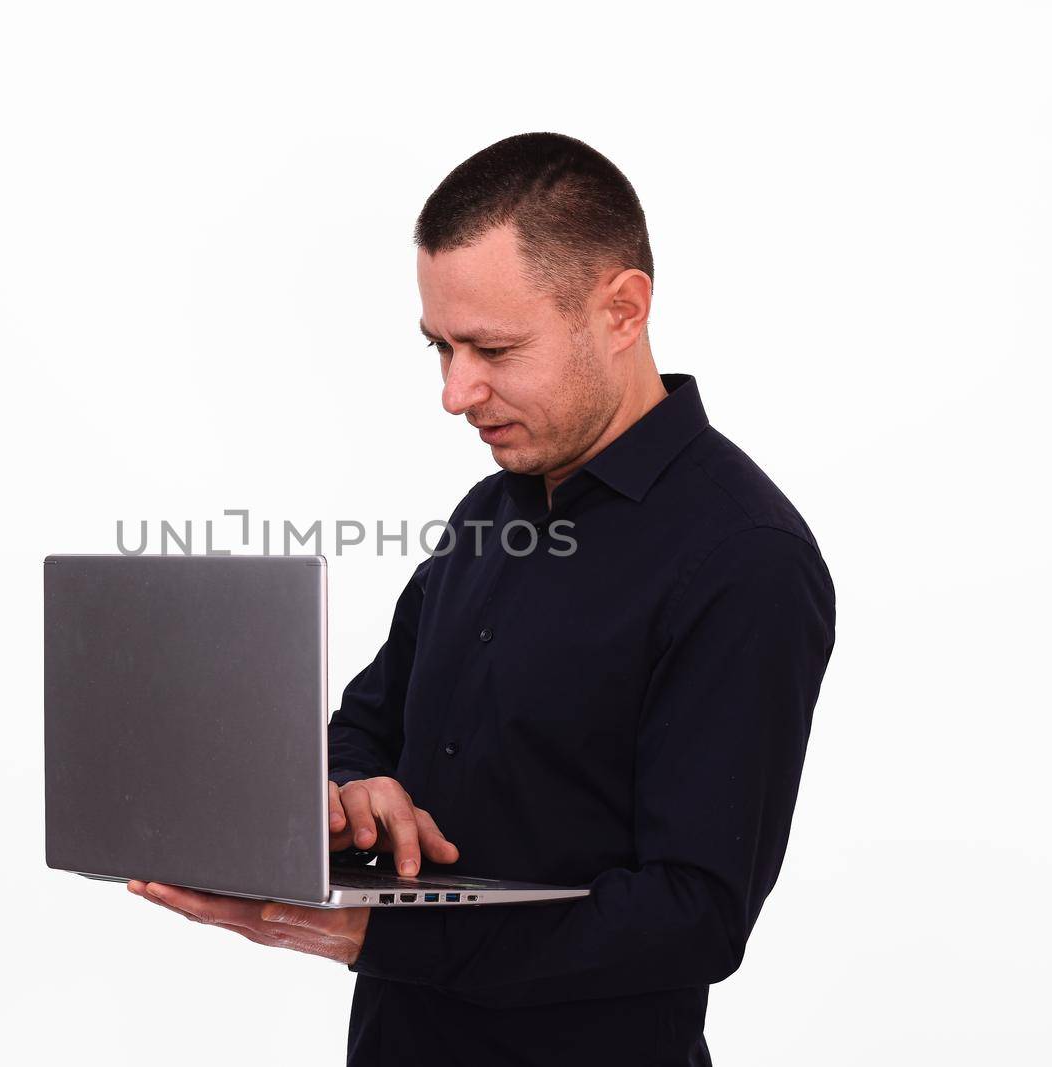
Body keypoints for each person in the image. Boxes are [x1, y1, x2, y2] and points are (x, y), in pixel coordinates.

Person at [128, 131, 837, 1066]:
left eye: (494, 348)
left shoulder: (746, 558)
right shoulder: (491, 509)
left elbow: (693, 914)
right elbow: (367, 720)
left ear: (622, 310)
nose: (457, 392)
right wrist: (354, 791)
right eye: (441, 346)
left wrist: (383, 938)